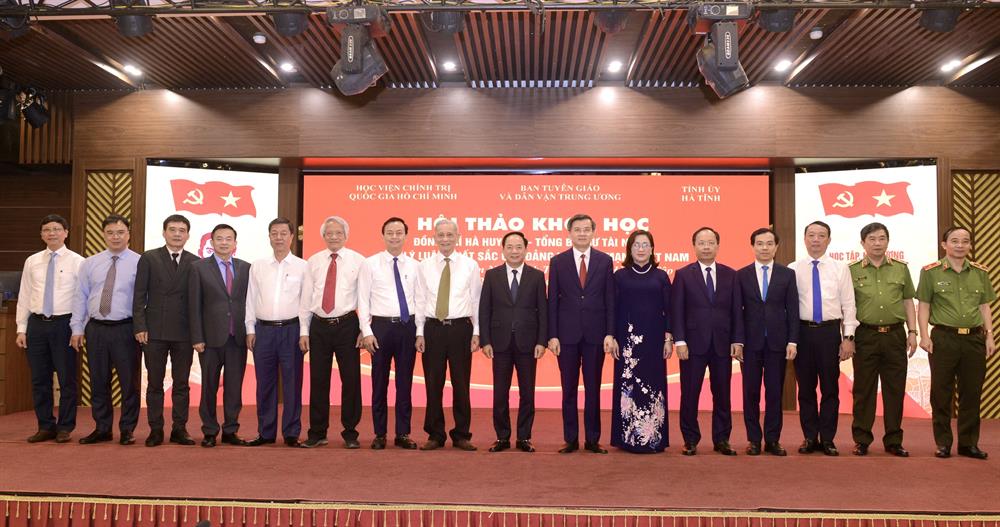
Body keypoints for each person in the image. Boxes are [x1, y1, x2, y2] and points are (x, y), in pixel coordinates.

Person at [917, 226, 996, 460]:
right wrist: (924, 335)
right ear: (944, 245)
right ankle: (943, 443)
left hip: (974, 339)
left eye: (965, 241)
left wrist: (990, 335)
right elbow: (924, 306)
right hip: (944, 338)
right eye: (954, 241)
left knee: (972, 392)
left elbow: (984, 307)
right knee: (941, 392)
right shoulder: (931, 272)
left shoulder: (980, 272)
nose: (960, 245)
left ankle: (968, 444)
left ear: (970, 245)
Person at [671, 226, 744, 456]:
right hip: (692, 345)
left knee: (722, 394)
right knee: (690, 393)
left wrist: (738, 339)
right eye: (701, 243)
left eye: (710, 243)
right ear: (694, 246)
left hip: (722, 343)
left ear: (718, 246)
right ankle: (690, 439)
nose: (706, 247)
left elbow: (737, 311)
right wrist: (679, 341)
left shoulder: (731, 274)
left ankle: (722, 439)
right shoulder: (683, 274)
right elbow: (677, 310)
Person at [547, 213, 616, 454]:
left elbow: (610, 299)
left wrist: (610, 333)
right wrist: (552, 335)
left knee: (593, 388)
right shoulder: (558, 261)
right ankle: (571, 439)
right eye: (577, 229)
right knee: (568, 389)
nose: (582, 233)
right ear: (570, 233)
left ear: (593, 232)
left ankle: (593, 439)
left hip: (596, 335)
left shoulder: (605, 261)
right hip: (566, 336)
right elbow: (552, 301)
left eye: (587, 229)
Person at [70, 214, 141, 445]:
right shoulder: (90, 263)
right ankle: (102, 428)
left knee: (129, 383)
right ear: (103, 235)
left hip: (126, 329)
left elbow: (145, 299)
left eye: (120, 232)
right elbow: (80, 296)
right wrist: (77, 328)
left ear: (128, 234)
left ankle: (127, 429)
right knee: (98, 381)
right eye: (110, 233)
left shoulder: (140, 262)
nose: (115, 237)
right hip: (96, 329)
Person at [788, 220, 858, 456]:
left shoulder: (840, 268)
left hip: (829, 333)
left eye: (821, 235)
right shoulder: (793, 268)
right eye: (811, 235)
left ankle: (827, 438)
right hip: (802, 332)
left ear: (829, 240)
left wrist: (848, 337)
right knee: (805, 389)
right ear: (804, 239)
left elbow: (849, 305)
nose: (816, 240)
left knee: (830, 388)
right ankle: (810, 437)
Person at [848, 222, 917, 457]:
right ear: (862, 243)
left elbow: (908, 301)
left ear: (888, 241)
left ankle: (894, 440)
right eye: (872, 239)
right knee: (863, 390)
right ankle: (862, 440)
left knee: (895, 389)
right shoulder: (851, 270)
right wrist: (847, 337)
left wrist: (913, 332)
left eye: (881, 238)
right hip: (865, 335)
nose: (877, 243)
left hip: (895, 335)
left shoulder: (900, 268)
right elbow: (847, 306)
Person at [15, 214, 84, 443]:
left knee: (67, 379)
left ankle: (65, 427)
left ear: (66, 233)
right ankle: (45, 426)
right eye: (47, 229)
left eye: (56, 229)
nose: (51, 233)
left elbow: (81, 298)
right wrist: (21, 328)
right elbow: (25, 295)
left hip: (65, 324)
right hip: (36, 325)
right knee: (39, 379)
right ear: (41, 234)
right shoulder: (32, 261)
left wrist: (78, 329)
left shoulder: (78, 262)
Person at [415, 217, 482, 451]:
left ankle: (462, 434)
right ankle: (435, 434)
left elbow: (476, 300)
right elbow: (420, 300)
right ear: (434, 237)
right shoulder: (424, 266)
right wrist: (420, 332)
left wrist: (477, 331)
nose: (445, 239)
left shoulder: (470, 265)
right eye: (441, 235)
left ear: (458, 237)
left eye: (450, 235)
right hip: (433, 329)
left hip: (461, 329)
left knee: (461, 384)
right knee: (433, 384)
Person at [132, 214, 197, 447]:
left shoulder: (195, 262)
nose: (177, 234)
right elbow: (139, 295)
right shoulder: (149, 258)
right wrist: (140, 325)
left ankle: (180, 429)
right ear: (164, 232)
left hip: (184, 332)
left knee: (181, 384)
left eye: (182, 230)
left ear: (187, 235)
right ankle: (156, 430)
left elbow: (197, 302)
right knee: (154, 384)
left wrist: (198, 333)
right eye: (172, 229)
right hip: (154, 331)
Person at [479, 231, 547, 453]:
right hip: (499, 343)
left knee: (527, 393)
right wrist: (485, 341)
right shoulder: (492, 275)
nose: (514, 251)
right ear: (503, 249)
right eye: (510, 247)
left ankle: (524, 437)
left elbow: (543, 311)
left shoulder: (537, 276)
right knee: (500, 393)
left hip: (528, 344)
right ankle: (502, 437)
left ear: (526, 249)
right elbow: (484, 309)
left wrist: (542, 341)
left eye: (519, 247)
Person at [300, 216, 365, 449]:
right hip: (318, 326)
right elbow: (306, 298)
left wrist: (364, 329)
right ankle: (317, 432)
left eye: (338, 233)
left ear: (346, 235)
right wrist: (304, 330)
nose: (334, 237)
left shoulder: (359, 261)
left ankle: (350, 432)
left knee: (351, 380)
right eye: (329, 233)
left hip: (347, 325)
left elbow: (364, 298)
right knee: (318, 380)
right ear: (323, 236)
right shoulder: (314, 261)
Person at [244, 218, 309, 448]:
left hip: (292, 330)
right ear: (269, 236)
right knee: (265, 384)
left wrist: (304, 331)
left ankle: (291, 432)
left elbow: (306, 302)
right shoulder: (258, 265)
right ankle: (266, 432)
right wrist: (250, 328)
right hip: (263, 331)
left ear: (292, 237)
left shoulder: (303, 266)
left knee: (292, 383)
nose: (279, 237)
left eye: (283, 233)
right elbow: (251, 299)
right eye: (274, 233)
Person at [358, 217, 419, 450]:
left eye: (399, 232)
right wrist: (367, 331)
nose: (395, 236)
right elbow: (363, 299)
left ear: (406, 236)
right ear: (383, 235)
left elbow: (420, 300)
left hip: (407, 327)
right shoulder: (370, 264)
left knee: (404, 383)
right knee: (379, 382)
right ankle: (380, 433)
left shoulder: (415, 265)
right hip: (380, 329)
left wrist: (420, 331)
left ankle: (403, 433)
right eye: (390, 232)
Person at [736, 227, 798, 456]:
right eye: (760, 243)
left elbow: (793, 310)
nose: (764, 248)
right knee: (750, 393)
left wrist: (793, 341)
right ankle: (753, 440)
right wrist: (738, 341)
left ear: (776, 247)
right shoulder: (741, 275)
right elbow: (737, 312)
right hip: (750, 345)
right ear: (752, 246)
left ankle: (772, 439)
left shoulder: (787, 274)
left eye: (769, 243)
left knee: (774, 393)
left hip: (777, 344)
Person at [188, 223, 251, 448]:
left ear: (235, 243)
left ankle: (231, 430)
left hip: (237, 338)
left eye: (228, 239)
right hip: (210, 339)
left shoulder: (246, 268)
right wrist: (197, 337)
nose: (224, 242)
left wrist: (250, 331)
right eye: (219, 238)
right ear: (212, 242)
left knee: (234, 388)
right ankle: (209, 431)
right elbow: (194, 305)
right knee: (209, 387)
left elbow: (250, 303)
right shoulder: (198, 268)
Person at [611, 230, 671, 453]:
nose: (641, 249)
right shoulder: (619, 276)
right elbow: (612, 309)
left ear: (652, 249)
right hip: (627, 343)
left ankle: (653, 438)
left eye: (645, 244)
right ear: (630, 248)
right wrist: (612, 336)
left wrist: (668, 338)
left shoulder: (661, 276)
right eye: (636, 245)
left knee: (653, 388)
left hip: (654, 342)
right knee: (629, 388)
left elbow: (669, 310)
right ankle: (627, 439)